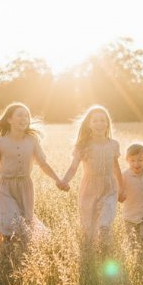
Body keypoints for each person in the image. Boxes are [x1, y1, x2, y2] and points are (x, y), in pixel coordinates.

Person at [0, 102, 67, 245]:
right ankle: (5, 248)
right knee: (11, 219)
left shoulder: (32, 141)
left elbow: (43, 164)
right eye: (20, 115)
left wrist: (57, 180)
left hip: (25, 187)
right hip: (5, 187)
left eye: (27, 116)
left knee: (25, 221)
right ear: (9, 119)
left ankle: (14, 249)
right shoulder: (0, 143)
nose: (24, 119)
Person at [60, 105, 125, 250]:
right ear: (89, 124)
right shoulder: (83, 146)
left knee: (105, 223)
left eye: (102, 120)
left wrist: (122, 188)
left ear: (107, 123)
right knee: (88, 225)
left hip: (110, 188)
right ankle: (90, 251)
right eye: (95, 121)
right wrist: (64, 181)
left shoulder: (114, 145)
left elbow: (116, 167)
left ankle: (106, 250)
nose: (99, 124)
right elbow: (73, 167)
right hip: (89, 189)